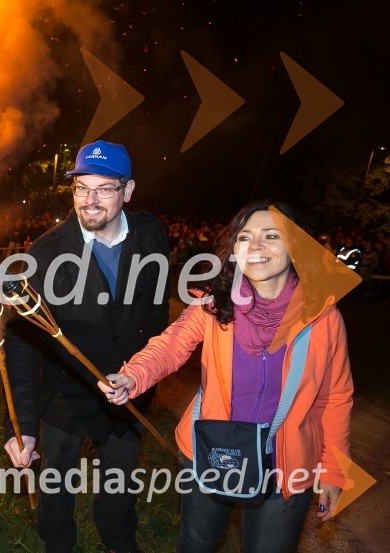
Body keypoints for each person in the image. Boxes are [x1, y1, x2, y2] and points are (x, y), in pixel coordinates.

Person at [99, 201, 353, 552]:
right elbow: (171, 345)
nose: (256, 245)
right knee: (197, 544)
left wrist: (334, 470)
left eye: (272, 236)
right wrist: (133, 375)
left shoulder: (323, 317)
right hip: (211, 451)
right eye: (245, 237)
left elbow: (336, 397)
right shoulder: (213, 304)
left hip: (285, 464)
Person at [4, 141, 170, 552]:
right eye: (82, 188)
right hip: (65, 397)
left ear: (127, 190)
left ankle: (119, 540)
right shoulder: (45, 253)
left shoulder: (151, 235)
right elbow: (22, 345)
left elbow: (156, 315)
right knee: (55, 490)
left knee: (119, 487)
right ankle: (58, 543)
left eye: (104, 188)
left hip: (128, 396)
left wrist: (143, 375)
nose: (90, 200)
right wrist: (22, 426)